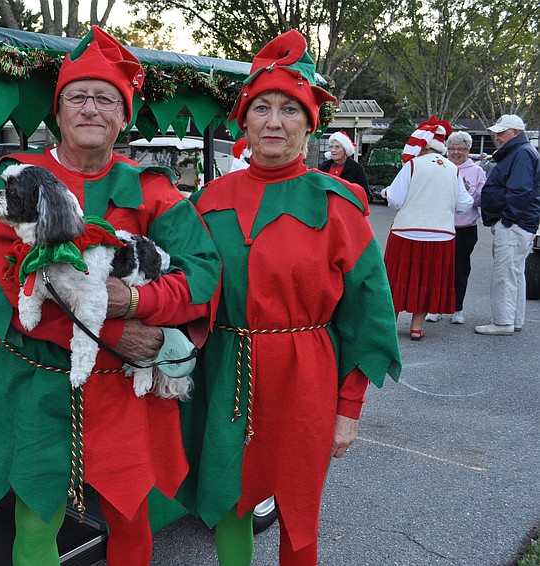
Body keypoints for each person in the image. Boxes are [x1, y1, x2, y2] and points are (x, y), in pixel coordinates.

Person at [0, 26, 220, 565]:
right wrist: (113, 329)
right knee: (35, 524)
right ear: (57, 113)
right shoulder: (14, 183)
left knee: (133, 522)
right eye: (77, 97)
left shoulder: (154, 189)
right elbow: (6, 289)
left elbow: (202, 276)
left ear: (123, 115)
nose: (91, 108)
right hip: (39, 383)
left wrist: (135, 304)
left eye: (105, 98)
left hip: (125, 394)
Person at [181, 30, 401, 565]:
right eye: (261, 108)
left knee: (300, 508)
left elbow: (367, 314)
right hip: (227, 366)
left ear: (309, 125)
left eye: (288, 110)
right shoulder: (208, 201)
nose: (273, 121)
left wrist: (348, 408)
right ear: (244, 121)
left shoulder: (339, 204)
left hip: (306, 373)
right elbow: (186, 289)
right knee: (230, 498)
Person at [381, 118, 474, 339]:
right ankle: (416, 327)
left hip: (407, 231)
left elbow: (395, 199)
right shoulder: (452, 169)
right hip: (441, 234)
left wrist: (386, 193)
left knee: (397, 280)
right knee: (427, 281)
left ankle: (390, 327)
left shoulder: (412, 166)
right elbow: (464, 205)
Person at [475, 114, 540, 335]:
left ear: (516, 133)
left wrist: (507, 220)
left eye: (502, 133)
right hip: (521, 222)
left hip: (515, 223)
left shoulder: (521, 153)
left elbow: (520, 190)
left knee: (504, 273)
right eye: (497, 133)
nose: (498, 137)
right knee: (515, 272)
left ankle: (503, 322)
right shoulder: (522, 152)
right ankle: (514, 319)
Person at [425, 132, 486, 324]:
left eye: (460, 149)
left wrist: (470, 190)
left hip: (464, 228)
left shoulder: (477, 171)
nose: (455, 153)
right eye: (452, 149)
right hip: (440, 226)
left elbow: (483, 200)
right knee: (437, 269)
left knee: (459, 270)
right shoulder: (440, 167)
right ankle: (436, 308)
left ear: (468, 151)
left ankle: (457, 308)